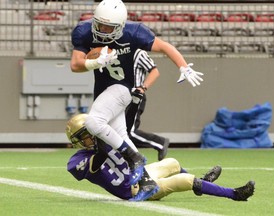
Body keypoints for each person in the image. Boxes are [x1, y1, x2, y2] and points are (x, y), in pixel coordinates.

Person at [70, 0, 203, 187]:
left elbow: (165, 47)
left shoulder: (134, 32)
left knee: (93, 122)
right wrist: (96, 62)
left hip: (123, 88)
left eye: (109, 27)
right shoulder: (84, 31)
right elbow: (75, 65)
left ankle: (134, 157)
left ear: (121, 26)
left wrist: (183, 66)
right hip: (103, 92)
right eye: (100, 25)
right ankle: (146, 180)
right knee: (121, 135)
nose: (103, 30)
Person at [66, 114, 255, 202]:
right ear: (78, 141)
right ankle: (235, 194)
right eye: (87, 134)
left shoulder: (106, 141)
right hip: (136, 190)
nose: (92, 136)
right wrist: (103, 135)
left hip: (142, 176)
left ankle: (202, 184)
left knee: (173, 163)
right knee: (184, 180)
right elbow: (99, 158)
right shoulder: (77, 161)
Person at [125, 49, 170, 161]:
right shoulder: (116, 51)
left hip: (134, 97)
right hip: (119, 97)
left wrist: (142, 88)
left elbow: (155, 71)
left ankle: (159, 142)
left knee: (128, 132)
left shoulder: (138, 53)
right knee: (119, 131)